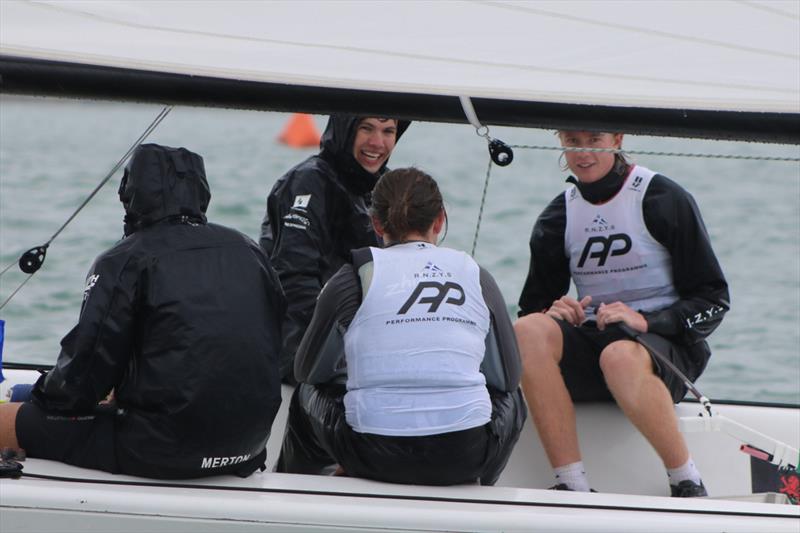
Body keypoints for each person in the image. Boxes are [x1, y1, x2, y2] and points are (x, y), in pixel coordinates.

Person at [0, 144, 285, 479]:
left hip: (159, 450)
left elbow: (79, 382)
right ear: (201, 192)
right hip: (248, 447)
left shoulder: (124, 259)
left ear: (130, 194)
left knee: (12, 414)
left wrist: (38, 395)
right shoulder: (251, 252)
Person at [275, 167, 526, 485]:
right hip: (465, 456)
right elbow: (507, 377)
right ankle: (480, 490)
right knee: (513, 397)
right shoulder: (475, 274)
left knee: (306, 393)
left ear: (377, 224)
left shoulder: (355, 275)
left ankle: (295, 495)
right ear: (440, 221)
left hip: (374, 455)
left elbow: (308, 372)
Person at [514, 131, 729, 497]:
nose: (582, 151)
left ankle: (686, 480)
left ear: (617, 139)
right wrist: (554, 310)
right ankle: (573, 483)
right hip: (596, 346)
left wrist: (646, 321)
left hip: (664, 349)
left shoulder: (661, 198)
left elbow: (714, 301)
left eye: (594, 139)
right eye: (571, 140)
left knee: (619, 357)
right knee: (527, 330)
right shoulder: (558, 214)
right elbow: (532, 307)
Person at [260, 115, 411, 383]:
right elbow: (294, 282)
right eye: (367, 128)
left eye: (388, 131)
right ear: (345, 129)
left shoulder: (386, 187)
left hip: (364, 349)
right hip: (304, 353)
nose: (377, 142)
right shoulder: (307, 183)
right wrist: (339, 353)